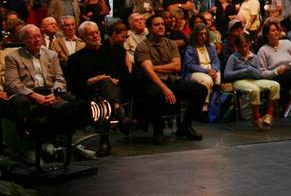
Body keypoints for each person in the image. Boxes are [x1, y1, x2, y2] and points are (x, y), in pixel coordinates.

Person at [134, 14, 206, 143]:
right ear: (149, 28)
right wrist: (164, 88)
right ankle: (158, 129)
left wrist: (154, 67)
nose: (161, 26)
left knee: (200, 89)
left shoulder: (171, 43)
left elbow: (177, 66)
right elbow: (148, 73)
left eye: (162, 24)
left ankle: (185, 126)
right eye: (157, 24)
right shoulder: (142, 47)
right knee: (154, 93)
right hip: (151, 82)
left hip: (171, 80)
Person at [67, 22, 128, 156]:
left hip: (114, 90)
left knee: (106, 87)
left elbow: (125, 75)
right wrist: (91, 81)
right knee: (104, 85)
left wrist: (116, 80)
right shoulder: (75, 59)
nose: (95, 36)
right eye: (90, 34)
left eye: (96, 32)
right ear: (82, 37)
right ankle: (118, 111)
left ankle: (105, 140)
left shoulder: (113, 52)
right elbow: (73, 85)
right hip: (90, 93)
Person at [4, 25, 77, 137]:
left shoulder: (51, 55)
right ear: (24, 40)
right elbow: (12, 83)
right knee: (20, 103)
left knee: (71, 100)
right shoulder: (13, 57)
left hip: (48, 90)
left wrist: (54, 94)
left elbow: (59, 78)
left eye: (38, 36)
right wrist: (35, 96)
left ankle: (63, 138)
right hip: (27, 92)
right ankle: (28, 137)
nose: (37, 40)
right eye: (31, 37)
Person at [223, 32, 280, 130]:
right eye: (241, 47)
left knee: (275, 85)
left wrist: (251, 69)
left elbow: (259, 75)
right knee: (255, 90)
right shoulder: (234, 57)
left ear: (249, 44)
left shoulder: (254, 56)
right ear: (236, 47)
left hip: (254, 80)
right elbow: (227, 75)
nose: (244, 49)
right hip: (240, 81)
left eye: (245, 46)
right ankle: (256, 118)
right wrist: (243, 71)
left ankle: (269, 115)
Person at [182, 24, 221, 106]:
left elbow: (216, 61)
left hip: (210, 69)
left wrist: (213, 70)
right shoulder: (190, 48)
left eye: (205, 34)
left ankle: (214, 103)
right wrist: (207, 71)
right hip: (195, 72)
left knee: (218, 76)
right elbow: (190, 65)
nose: (203, 36)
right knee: (207, 80)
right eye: (200, 34)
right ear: (196, 35)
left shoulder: (210, 47)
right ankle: (204, 106)